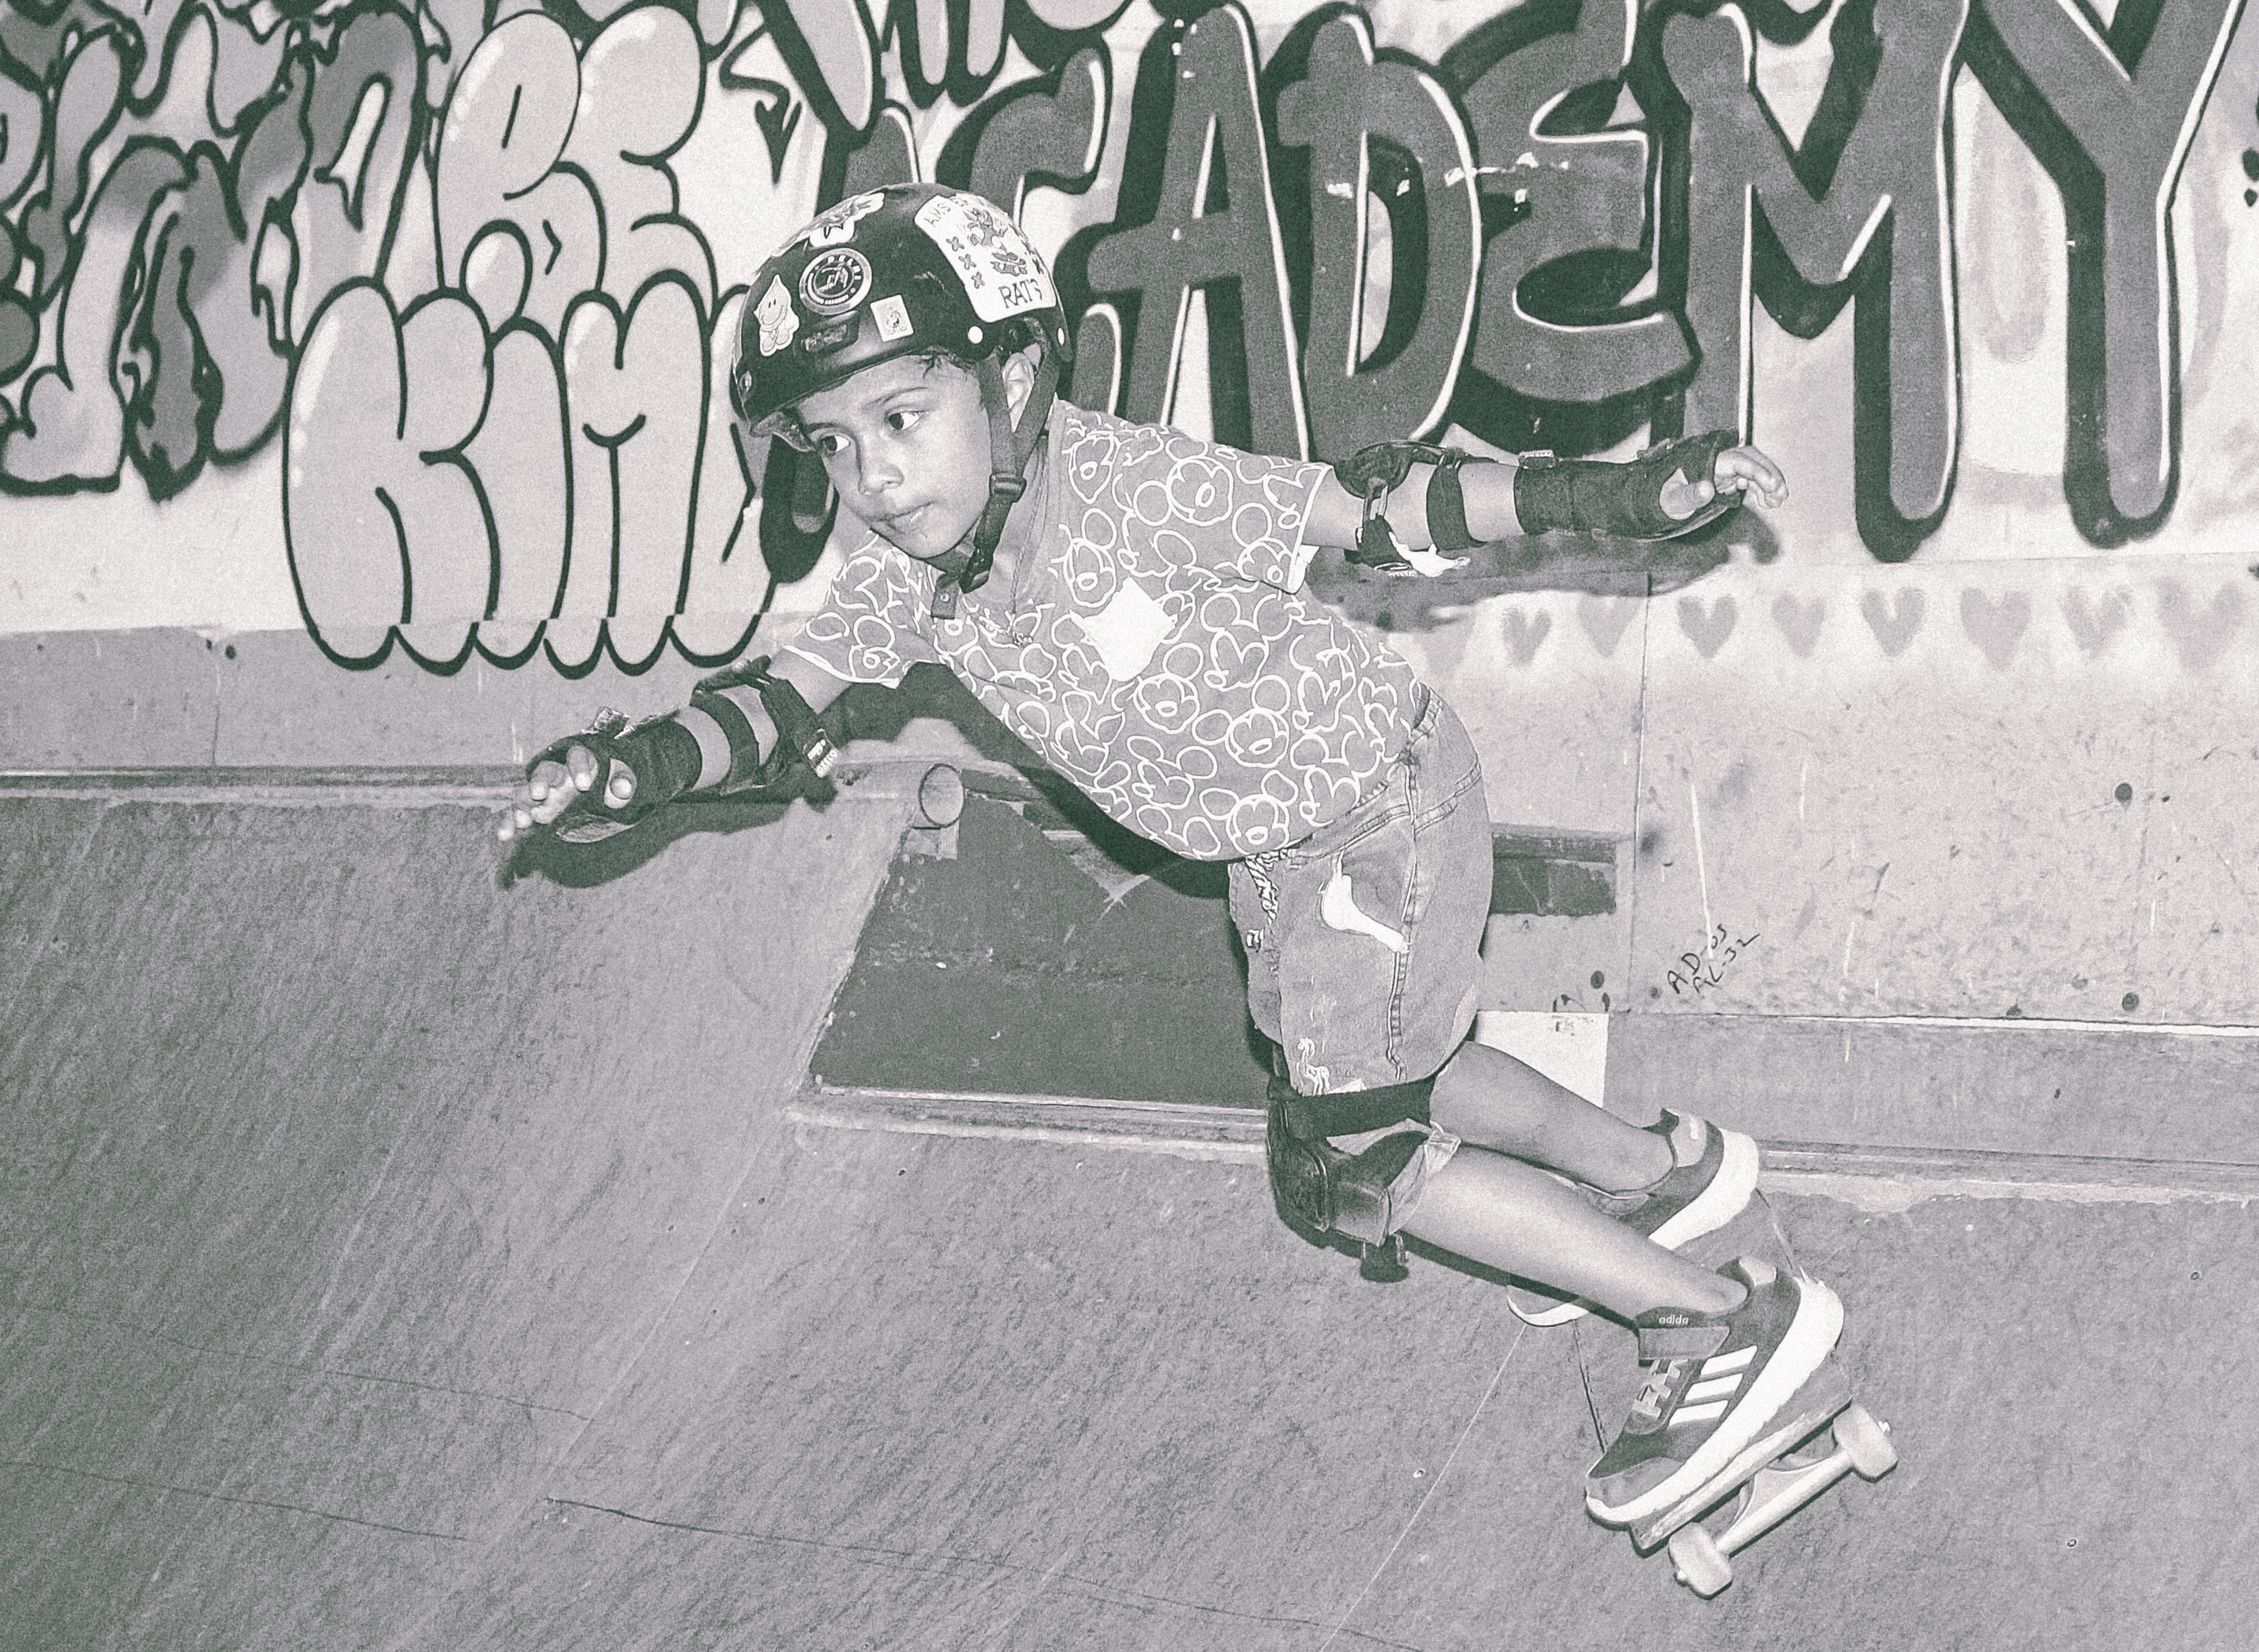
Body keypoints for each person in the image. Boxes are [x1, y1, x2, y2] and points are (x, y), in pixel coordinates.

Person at [498, 182, 1842, 1533]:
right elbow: (779, 703)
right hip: (1285, 857)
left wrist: (1605, 492)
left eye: (901, 420)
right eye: (837, 450)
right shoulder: (912, 578)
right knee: (1402, 1065)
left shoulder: (1131, 492)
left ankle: (1715, 1317)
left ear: (1014, 381)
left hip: (1373, 818)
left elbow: (1376, 514)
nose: (878, 481)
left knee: (1351, 1163)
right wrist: (637, 770)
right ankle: (1651, 1172)